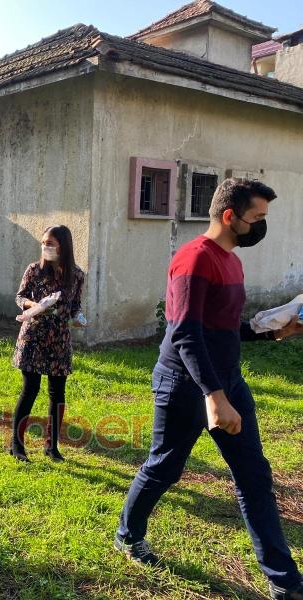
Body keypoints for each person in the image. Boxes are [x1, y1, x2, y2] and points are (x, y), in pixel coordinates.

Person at [114, 179, 303, 600]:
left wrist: (272, 334)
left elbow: (221, 330)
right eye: (256, 219)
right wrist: (213, 398)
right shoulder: (193, 260)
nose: (260, 227)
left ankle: (285, 583)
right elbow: (185, 333)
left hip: (226, 380)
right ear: (230, 216)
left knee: (254, 477)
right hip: (184, 385)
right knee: (164, 466)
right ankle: (127, 533)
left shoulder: (231, 261)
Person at [10, 225, 85, 463]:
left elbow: (75, 306)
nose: (45, 247)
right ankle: (17, 446)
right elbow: (20, 297)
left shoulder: (76, 275)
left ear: (64, 246)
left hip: (59, 340)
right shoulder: (34, 270)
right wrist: (34, 306)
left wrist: (79, 317)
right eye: (43, 243)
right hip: (33, 336)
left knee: (57, 394)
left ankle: (51, 447)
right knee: (29, 390)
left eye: (50, 243)